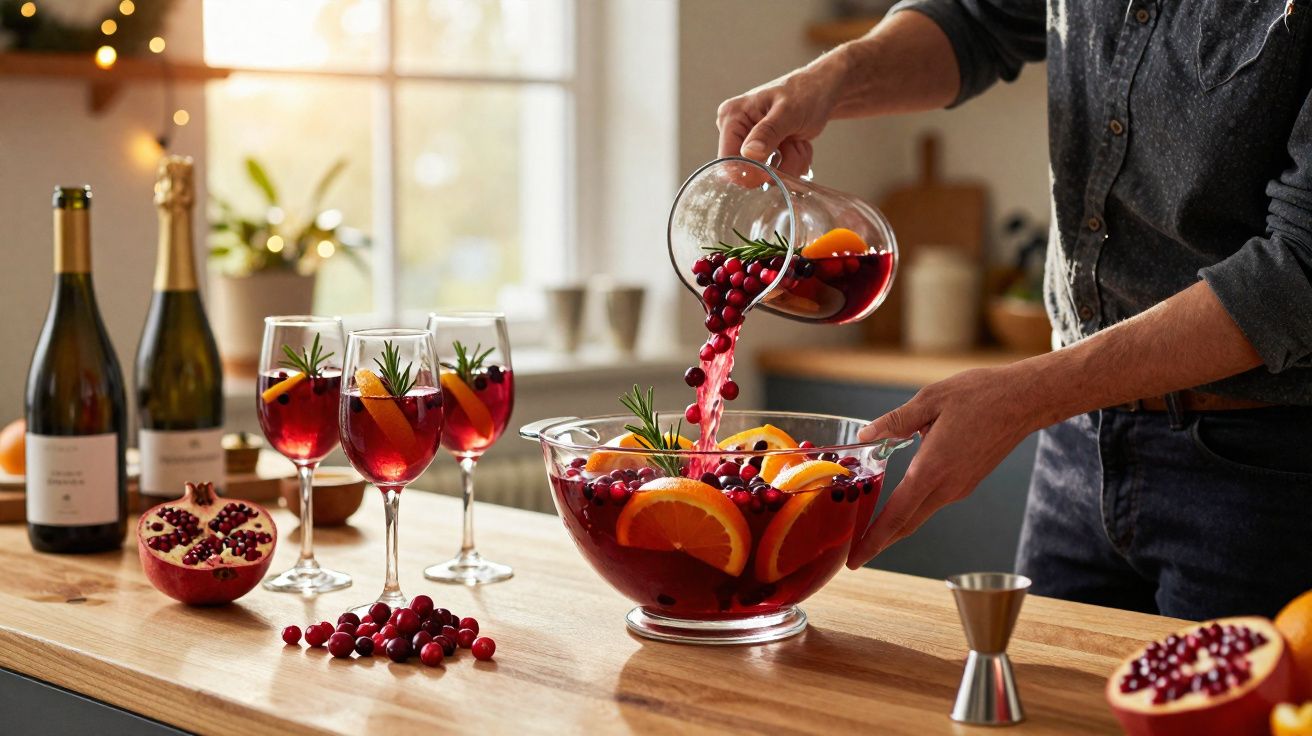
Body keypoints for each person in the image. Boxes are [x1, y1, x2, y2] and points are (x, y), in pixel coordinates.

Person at [716, 1, 1312, 620]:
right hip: (1074, 444)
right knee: (1032, 684)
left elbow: (1300, 270)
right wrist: (831, 78)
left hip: (1262, 467)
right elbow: (977, 21)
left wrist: (1028, 396)